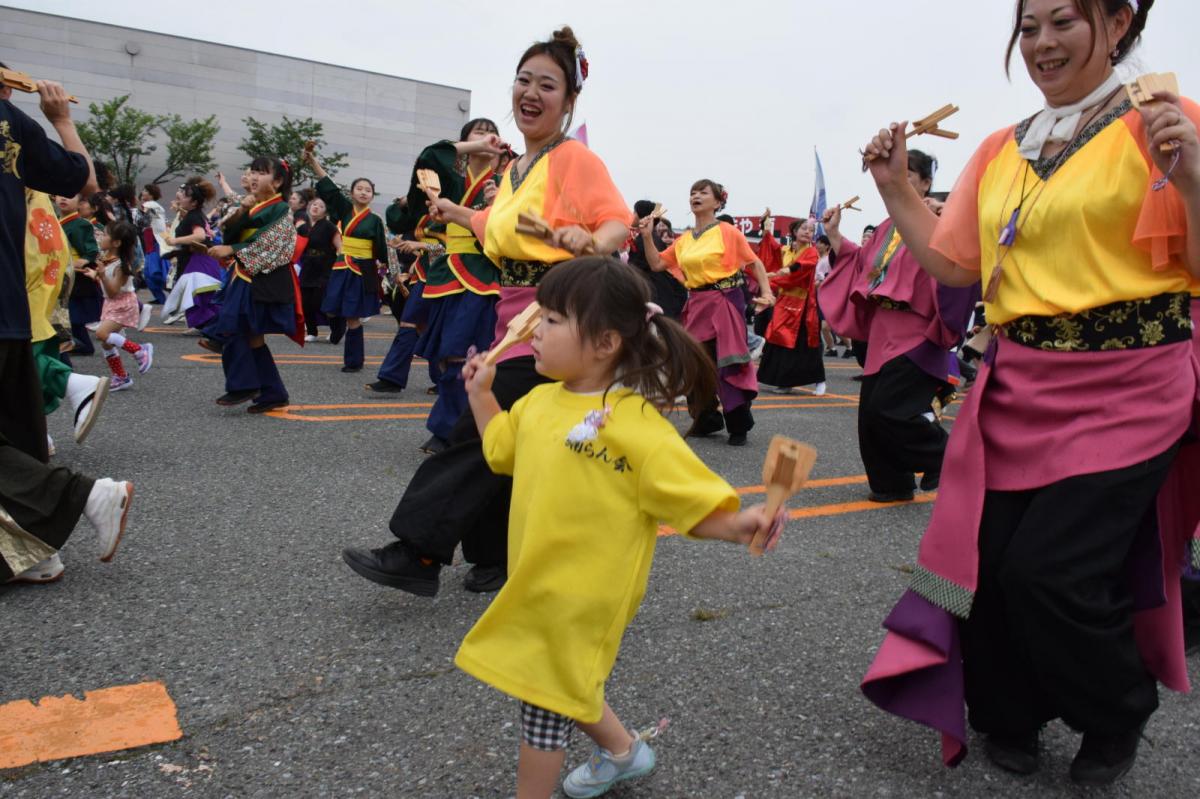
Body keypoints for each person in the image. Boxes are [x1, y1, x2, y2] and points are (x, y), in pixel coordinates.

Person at [860, 0, 1200, 786]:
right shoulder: (1003, 147)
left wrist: (1190, 175)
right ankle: (1006, 713)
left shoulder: (1165, 120)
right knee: (986, 562)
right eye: (1030, 26)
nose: (1042, 43)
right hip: (1018, 385)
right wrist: (892, 188)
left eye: (1063, 23)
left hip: (1131, 388)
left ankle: (1117, 709)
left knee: (1052, 569)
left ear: (1117, 23)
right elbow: (955, 266)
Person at [457, 257, 781, 799]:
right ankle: (625, 752)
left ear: (605, 344)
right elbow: (501, 452)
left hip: (586, 595)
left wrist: (741, 523)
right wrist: (482, 396)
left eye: (554, 320)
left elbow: (687, 498)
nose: (534, 329)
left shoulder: (635, 425)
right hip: (536, 580)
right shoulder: (539, 401)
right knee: (567, 682)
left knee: (544, 697)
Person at [342, 26, 631, 597]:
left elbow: (615, 219)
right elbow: (493, 226)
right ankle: (497, 555)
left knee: (471, 432)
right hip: (512, 310)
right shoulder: (514, 172)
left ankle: (419, 551)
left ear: (569, 100)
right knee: (502, 435)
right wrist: (454, 210)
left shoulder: (574, 159)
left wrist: (595, 242)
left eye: (547, 84)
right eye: (523, 80)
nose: (531, 92)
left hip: (557, 315)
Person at [0, 74, 133, 585]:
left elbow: (85, 192)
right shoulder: (13, 121)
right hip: (12, 298)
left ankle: (85, 495)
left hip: (22, 296)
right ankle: (35, 552)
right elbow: (84, 180)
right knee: (16, 428)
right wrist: (60, 119)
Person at [819, 150, 977, 502]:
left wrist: (947, 218)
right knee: (870, 419)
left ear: (925, 183)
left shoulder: (937, 221)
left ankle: (945, 457)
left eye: (907, 173)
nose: (897, 178)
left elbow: (960, 266)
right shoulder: (887, 227)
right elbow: (861, 263)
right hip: (883, 330)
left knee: (891, 409)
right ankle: (892, 483)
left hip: (917, 328)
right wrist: (834, 235)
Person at [637, 180, 775, 445]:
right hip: (697, 303)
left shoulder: (727, 231)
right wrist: (646, 235)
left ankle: (738, 424)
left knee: (727, 362)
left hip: (725, 301)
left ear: (717, 202)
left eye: (703, 192)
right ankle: (706, 418)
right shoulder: (685, 239)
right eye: (692, 192)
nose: (695, 196)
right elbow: (656, 264)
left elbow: (754, 262)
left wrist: (767, 293)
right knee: (694, 363)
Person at [206, 156, 302, 414]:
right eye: (253, 171)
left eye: (262, 172)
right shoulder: (253, 205)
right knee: (252, 336)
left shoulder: (281, 208)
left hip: (260, 274)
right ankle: (273, 392)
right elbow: (231, 232)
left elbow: (274, 245)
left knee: (235, 325)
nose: (254, 176)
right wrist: (240, 212)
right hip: (246, 270)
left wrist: (232, 249)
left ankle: (243, 383)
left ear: (279, 181)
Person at [306, 154, 387, 374]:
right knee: (335, 310)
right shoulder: (344, 210)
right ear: (351, 193)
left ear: (372, 196)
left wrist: (390, 274)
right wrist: (314, 163)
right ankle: (345, 346)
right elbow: (329, 188)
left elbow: (382, 249)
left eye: (367, 190)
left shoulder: (376, 220)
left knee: (353, 316)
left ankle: (354, 361)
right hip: (342, 267)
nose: (363, 192)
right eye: (359, 188)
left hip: (363, 269)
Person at [758, 218, 827, 396]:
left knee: (804, 344)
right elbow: (771, 250)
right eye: (803, 228)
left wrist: (786, 271)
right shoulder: (785, 250)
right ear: (794, 231)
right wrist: (766, 229)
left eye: (811, 230)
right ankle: (784, 382)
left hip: (803, 305)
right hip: (784, 302)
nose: (807, 232)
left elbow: (804, 266)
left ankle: (820, 380)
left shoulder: (811, 252)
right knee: (778, 338)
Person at [84, 220, 153, 391]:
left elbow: (114, 290)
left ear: (116, 243)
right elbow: (109, 287)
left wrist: (101, 275)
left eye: (106, 234)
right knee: (106, 343)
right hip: (111, 303)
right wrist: (95, 274)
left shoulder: (121, 265)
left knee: (102, 333)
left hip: (122, 304)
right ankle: (121, 376)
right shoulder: (109, 260)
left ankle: (139, 350)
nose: (101, 236)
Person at [161, 177, 222, 329]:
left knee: (198, 295)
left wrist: (175, 241)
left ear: (194, 202)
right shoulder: (195, 214)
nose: (180, 195)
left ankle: (212, 328)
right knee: (197, 296)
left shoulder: (194, 216)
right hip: (201, 260)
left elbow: (200, 235)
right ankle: (208, 327)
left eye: (185, 194)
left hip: (200, 261)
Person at [55, 191, 102, 355]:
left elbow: (91, 251)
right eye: (59, 194)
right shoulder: (56, 220)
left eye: (69, 195)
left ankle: (80, 345)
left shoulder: (81, 224)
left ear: (80, 203)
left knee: (72, 316)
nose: (63, 197)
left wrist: (80, 262)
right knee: (67, 315)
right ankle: (75, 344)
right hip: (61, 272)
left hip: (75, 276)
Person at [627, 200, 686, 319]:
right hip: (660, 295)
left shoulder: (647, 240)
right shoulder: (652, 238)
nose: (631, 215)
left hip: (654, 297)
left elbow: (636, 269)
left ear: (642, 215)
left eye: (634, 212)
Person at [298, 197, 337, 341]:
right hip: (307, 267)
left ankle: (335, 328)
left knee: (319, 302)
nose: (316, 207)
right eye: (314, 204)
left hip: (324, 267)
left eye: (320, 206)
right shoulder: (303, 227)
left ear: (325, 211)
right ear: (309, 206)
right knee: (305, 303)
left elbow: (339, 247)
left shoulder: (329, 226)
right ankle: (312, 332)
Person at [138, 183, 170, 306]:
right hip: (151, 242)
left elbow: (142, 220)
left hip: (155, 242)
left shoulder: (150, 205)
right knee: (148, 274)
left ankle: (171, 292)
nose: (143, 192)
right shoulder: (158, 207)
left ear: (151, 194)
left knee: (154, 273)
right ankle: (162, 298)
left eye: (145, 191)